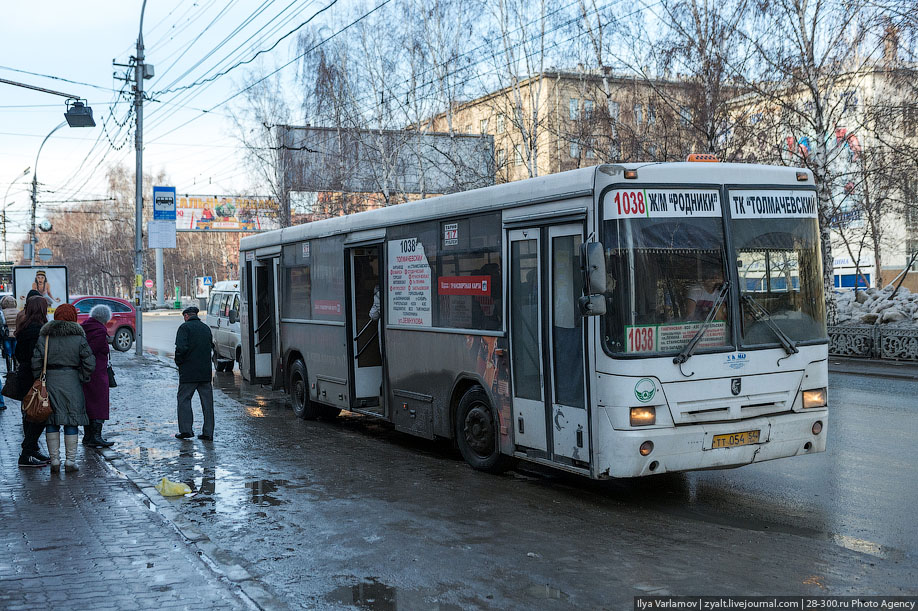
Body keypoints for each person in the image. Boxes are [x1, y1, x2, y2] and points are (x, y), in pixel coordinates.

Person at [34, 303, 95, 473]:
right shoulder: (79, 338)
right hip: (72, 382)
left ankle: (54, 460)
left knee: (51, 420)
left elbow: (36, 362)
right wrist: (81, 377)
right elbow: (89, 363)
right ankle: (70, 461)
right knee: (71, 419)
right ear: (73, 318)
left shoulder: (45, 337)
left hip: (50, 383)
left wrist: (40, 378)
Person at [15, 293, 50, 467]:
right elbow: (38, 357)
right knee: (39, 415)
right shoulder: (40, 330)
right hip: (35, 378)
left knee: (30, 413)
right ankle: (27, 453)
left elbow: (18, 354)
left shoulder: (23, 328)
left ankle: (32, 449)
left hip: (24, 375)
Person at [174, 306, 214, 441]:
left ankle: (186, 430)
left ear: (186, 316)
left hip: (189, 373)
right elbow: (211, 347)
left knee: (184, 399)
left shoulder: (184, 328)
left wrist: (179, 362)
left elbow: (181, 348)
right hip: (205, 372)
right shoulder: (205, 328)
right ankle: (208, 432)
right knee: (207, 403)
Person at [81, 304, 114, 448]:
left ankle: (88, 436)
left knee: (88, 404)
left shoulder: (85, 327)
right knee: (99, 404)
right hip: (97, 372)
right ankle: (95, 437)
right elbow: (93, 350)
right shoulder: (100, 331)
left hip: (86, 372)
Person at [2, 295, 18, 372]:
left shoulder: (2, 312)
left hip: (6, 335)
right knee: (15, 351)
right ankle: (16, 368)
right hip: (15, 334)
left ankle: (9, 370)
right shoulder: (18, 312)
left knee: (8, 352)